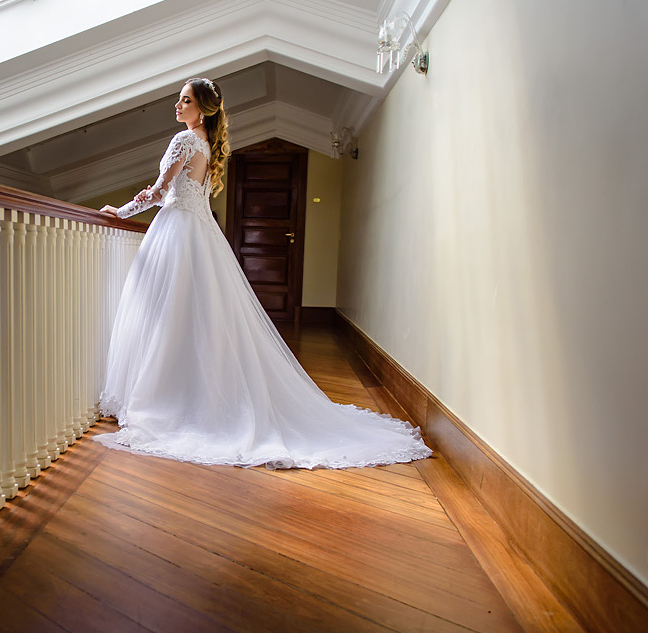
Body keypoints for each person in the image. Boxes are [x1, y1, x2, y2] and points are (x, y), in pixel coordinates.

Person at [97, 77, 431, 469]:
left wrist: (120, 212)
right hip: (198, 233)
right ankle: (189, 392)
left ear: (202, 108)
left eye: (185, 100)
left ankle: (167, 396)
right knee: (192, 316)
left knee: (168, 313)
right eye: (179, 99)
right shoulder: (206, 144)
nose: (177, 105)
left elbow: (158, 193)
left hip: (177, 231)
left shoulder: (184, 140)